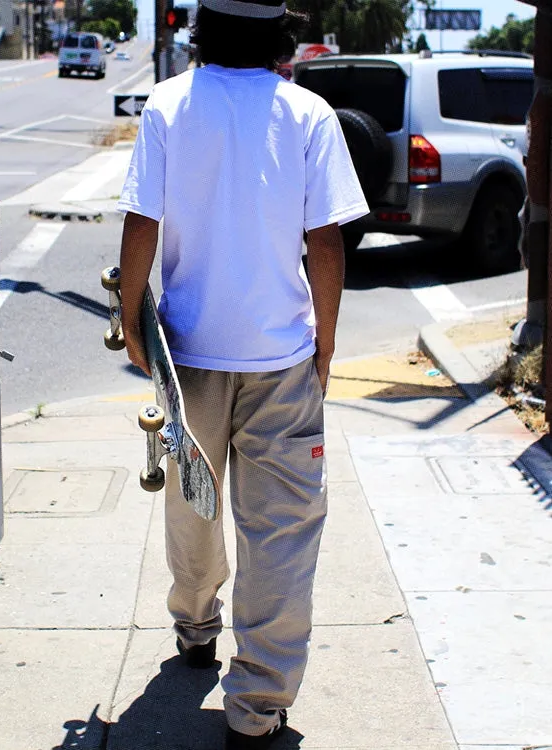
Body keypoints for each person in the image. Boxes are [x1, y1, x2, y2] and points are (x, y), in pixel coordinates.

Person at [116, 1, 369, 747]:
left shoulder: (169, 105)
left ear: (203, 29)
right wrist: (325, 341)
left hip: (190, 351)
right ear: (280, 35)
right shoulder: (309, 113)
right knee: (283, 530)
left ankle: (196, 627)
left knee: (192, 503)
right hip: (281, 358)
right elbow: (324, 240)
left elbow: (141, 223)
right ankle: (257, 705)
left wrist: (134, 321)